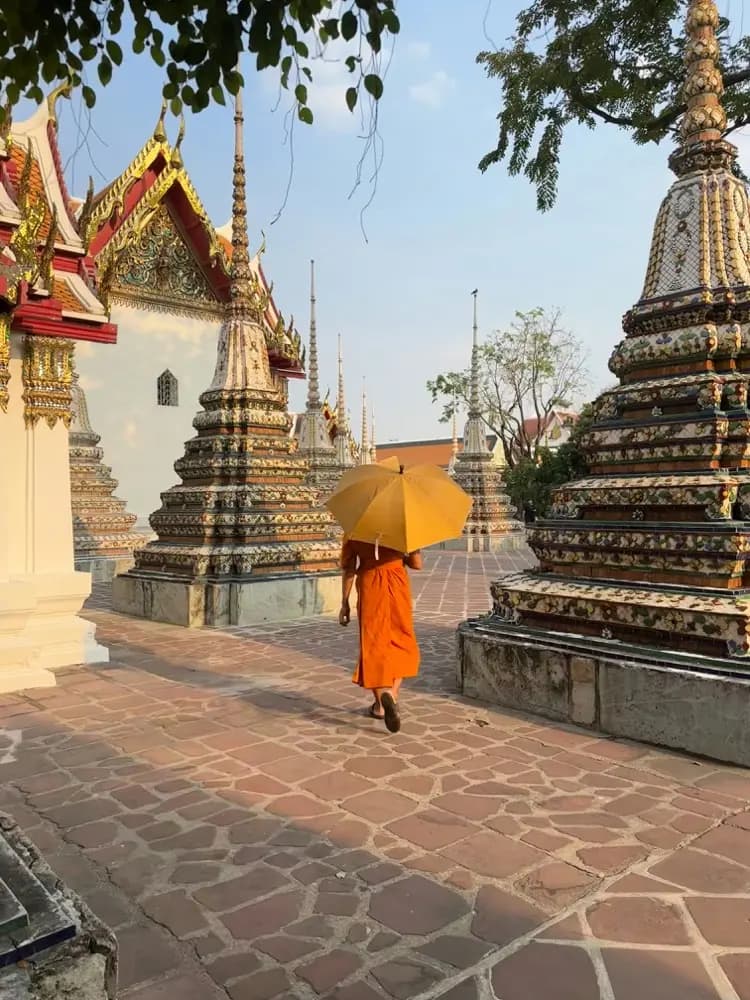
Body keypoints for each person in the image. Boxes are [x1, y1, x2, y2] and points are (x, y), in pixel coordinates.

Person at [339, 537, 423, 733]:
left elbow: (349, 569)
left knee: (373, 645)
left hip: (370, 585)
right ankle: (391, 694)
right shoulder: (403, 528)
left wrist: (345, 603)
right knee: (402, 641)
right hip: (397, 582)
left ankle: (380, 703)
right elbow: (416, 564)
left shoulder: (356, 528)